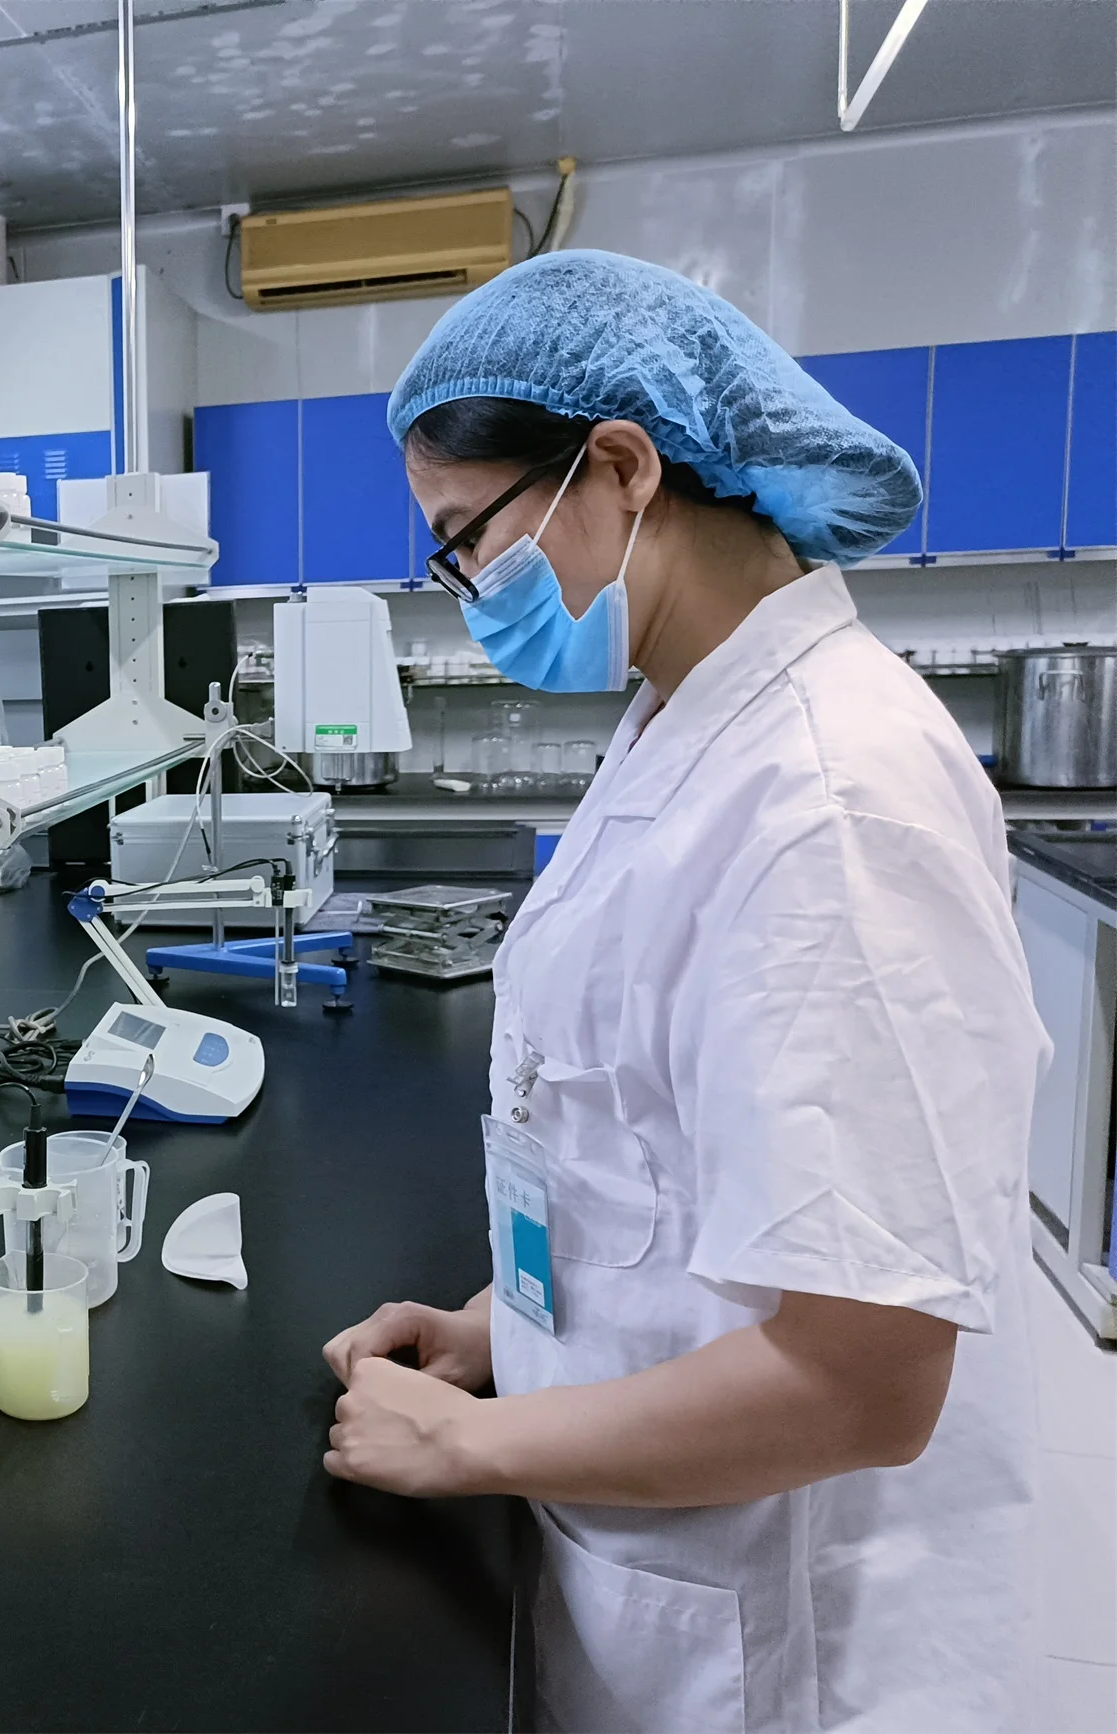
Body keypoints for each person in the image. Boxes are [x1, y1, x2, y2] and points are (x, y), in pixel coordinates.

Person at [320, 250, 1047, 1732]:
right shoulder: (683, 714)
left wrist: (470, 1445)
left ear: (621, 467)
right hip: (651, 1541)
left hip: (782, 1637)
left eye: (470, 542)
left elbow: (863, 1380)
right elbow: (647, 1146)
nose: (471, 596)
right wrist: (504, 1330)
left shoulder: (831, 799)